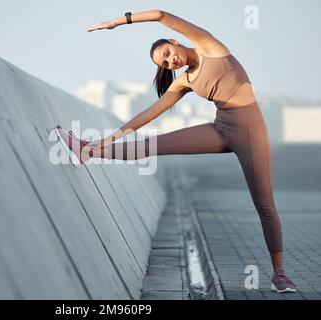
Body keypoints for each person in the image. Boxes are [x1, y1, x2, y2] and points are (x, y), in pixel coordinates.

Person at [56, 10, 296, 293]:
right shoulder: (184, 81)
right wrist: (107, 139)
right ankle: (88, 152)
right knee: (151, 145)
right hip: (220, 130)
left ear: (175, 41)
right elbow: (149, 114)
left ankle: (280, 273)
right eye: (166, 62)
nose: (172, 60)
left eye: (169, 53)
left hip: (251, 133)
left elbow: (159, 14)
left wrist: (118, 22)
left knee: (265, 205)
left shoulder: (209, 46)